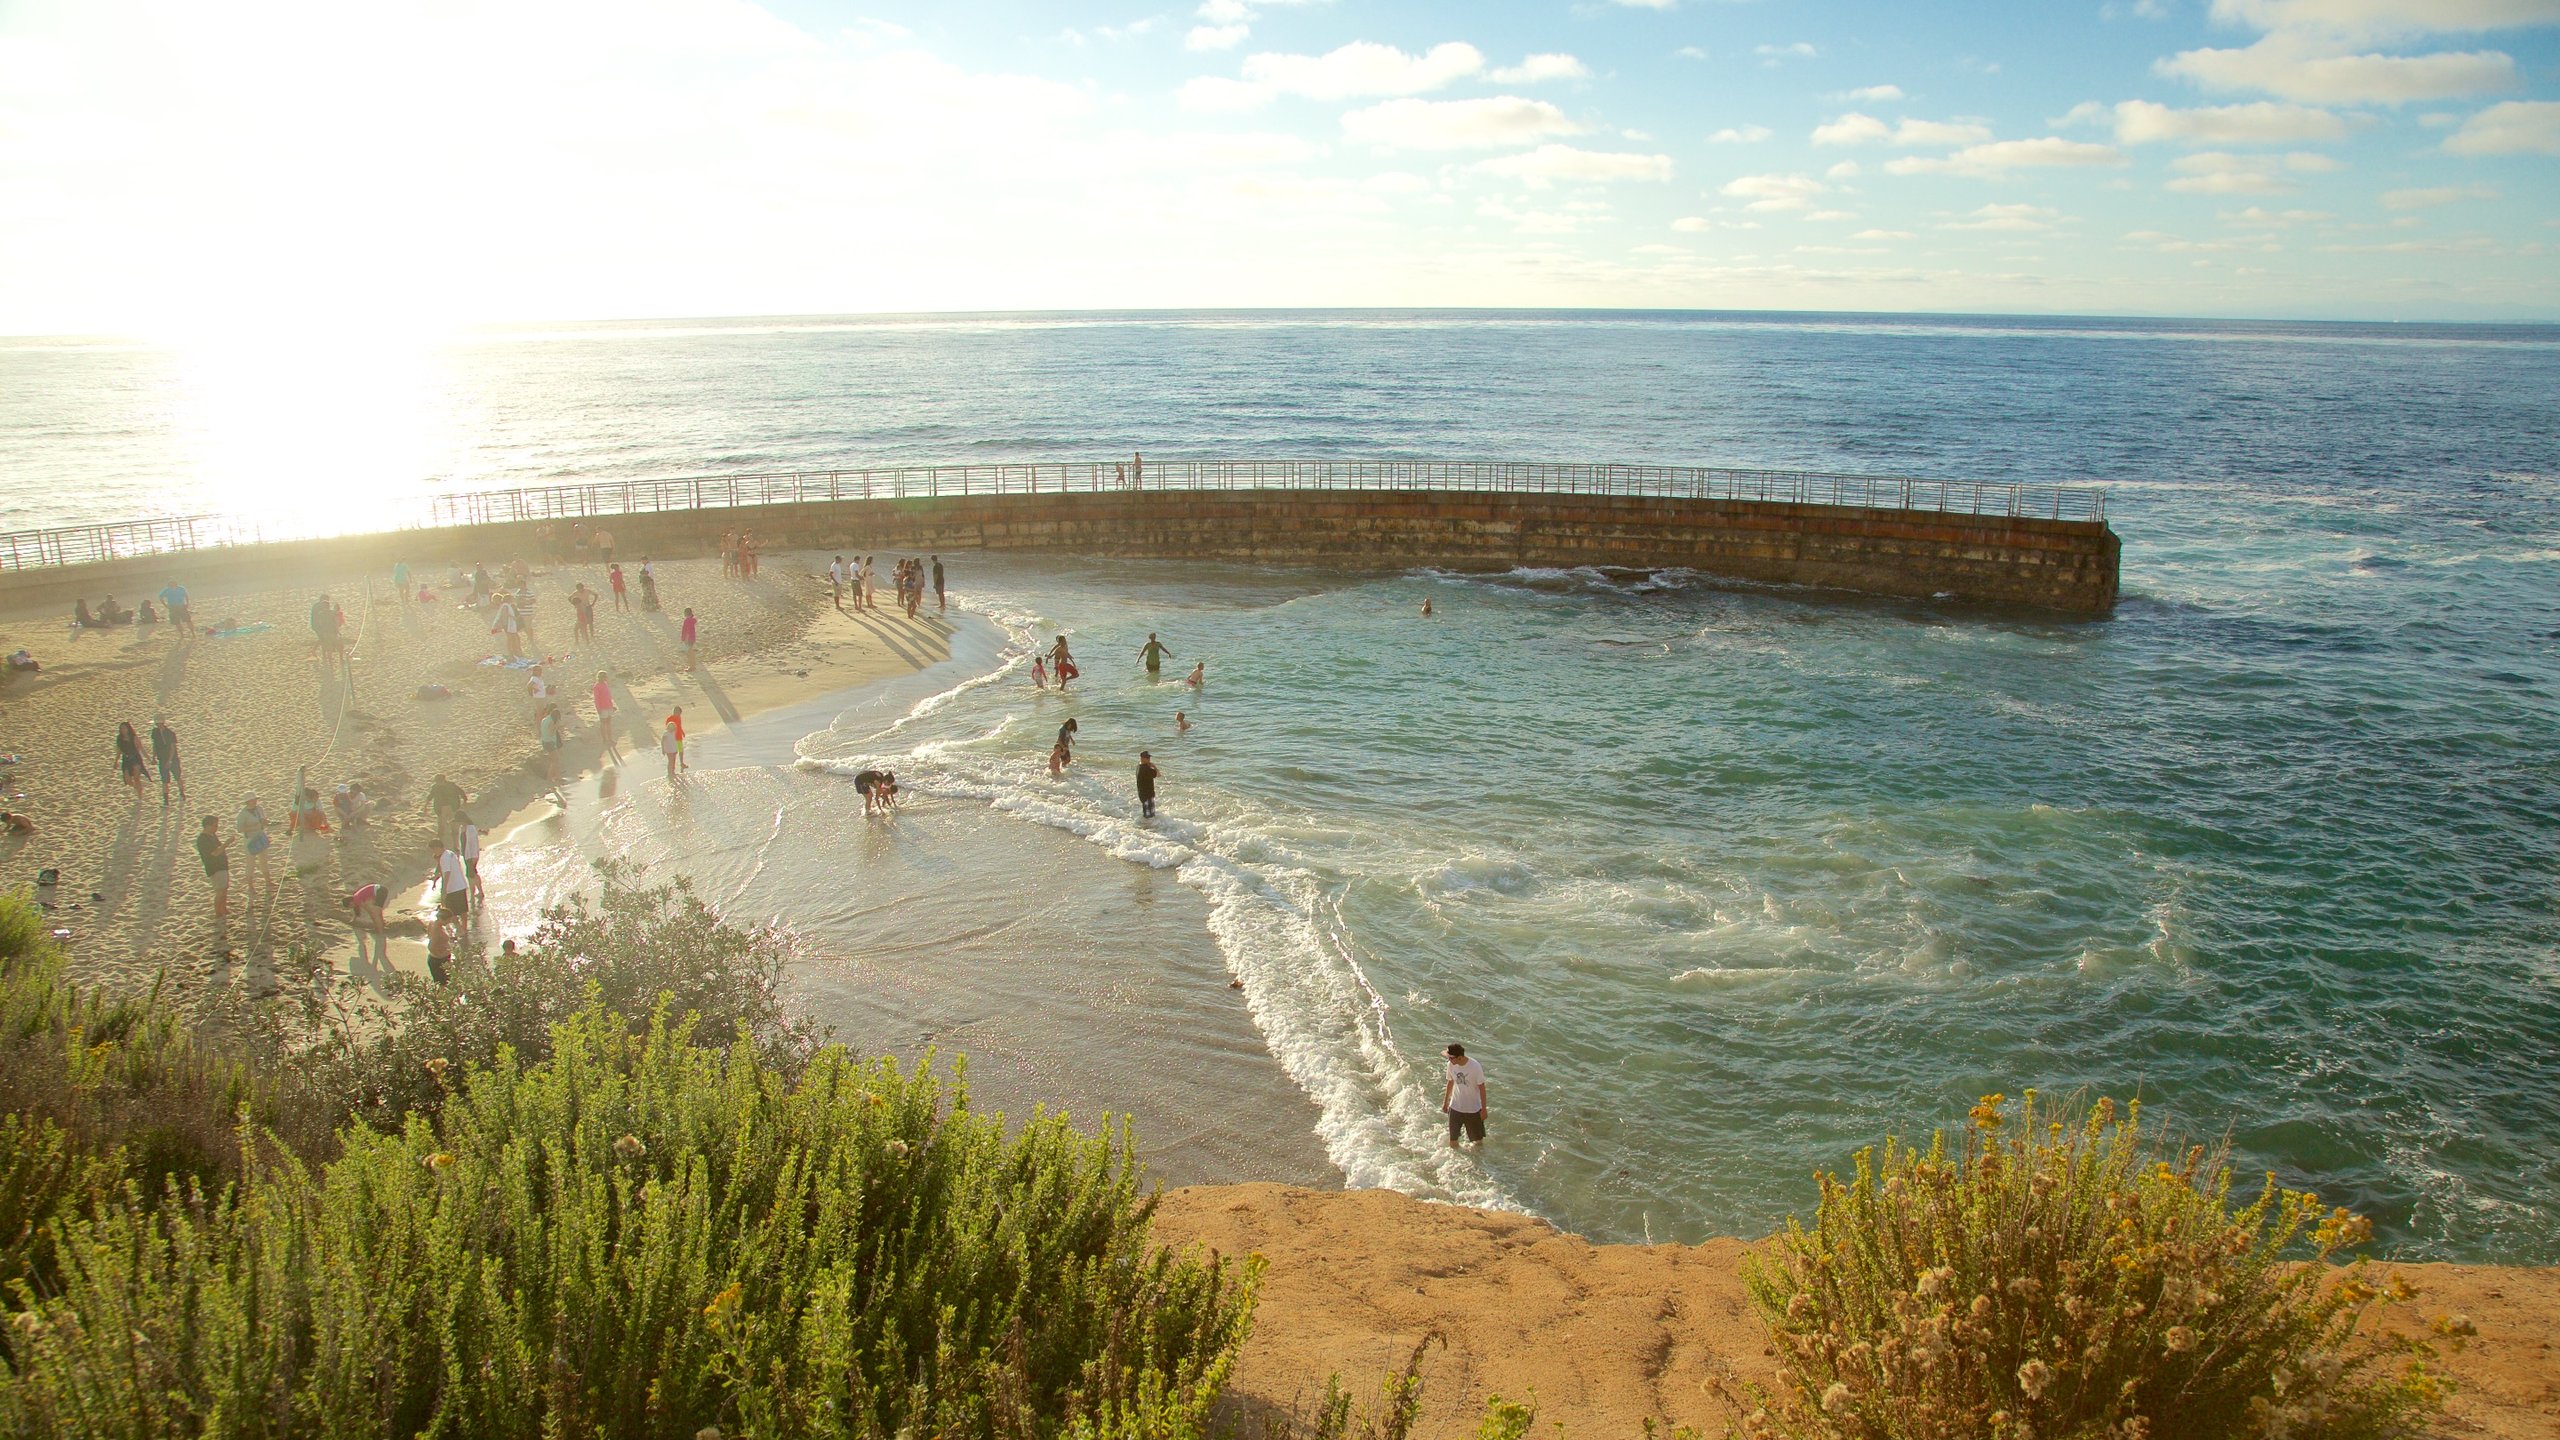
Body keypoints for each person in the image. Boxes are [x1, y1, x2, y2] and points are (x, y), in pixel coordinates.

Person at [1442, 1043, 1487, 1147]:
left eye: (1451, 1058)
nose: (1449, 1060)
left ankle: (1477, 1162)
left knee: (1478, 1142)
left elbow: (1482, 1088)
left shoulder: (1475, 1067)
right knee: (1453, 1141)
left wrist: (1484, 1109)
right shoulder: (1451, 1065)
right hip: (1455, 1107)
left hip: (1473, 1109)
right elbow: (1450, 1082)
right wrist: (1445, 1103)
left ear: (1460, 1057)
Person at [235, 796, 277, 908]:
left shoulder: (259, 809)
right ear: (247, 801)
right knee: (250, 863)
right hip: (250, 839)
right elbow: (240, 829)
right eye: (252, 800)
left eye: (255, 799)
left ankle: (268, 881)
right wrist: (254, 826)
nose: (255, 801)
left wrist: (266, 823)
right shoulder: (242, 814)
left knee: (263, 860)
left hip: (260, 836)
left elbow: (263, 820)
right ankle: (250, 886)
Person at [196, 815, 229, 932]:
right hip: (214, 867)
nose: (216, 828)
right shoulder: (202, 839)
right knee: (219, 890)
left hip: (221, 865)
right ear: (208, 825)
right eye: (215, 825)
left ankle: (223, 909)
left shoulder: (212, 835)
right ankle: (217, 913)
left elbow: (218, 848)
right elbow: (214, 853)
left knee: (224, 888)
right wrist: (227, 843)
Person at [346, 882, 387, 969]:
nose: (351, 907)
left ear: (351, 902)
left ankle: (380, 932)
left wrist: (374, 918)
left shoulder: (357, 899)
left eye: (350, 906)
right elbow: (356, 910)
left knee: (375, 914)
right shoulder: (355, 899)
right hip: (380, 890)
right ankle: (380, 927)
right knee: (377, 913)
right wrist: (353, 920)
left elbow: (369, 910)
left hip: (380, 891)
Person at [149, 715, 183, 806]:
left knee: (177, 777)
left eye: (159, 723)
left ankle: (182, 793)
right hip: (162, 759)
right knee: (164, 780)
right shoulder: (155, 732)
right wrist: (153, 757)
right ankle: (166, 800)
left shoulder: (170, 733)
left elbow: (173, 748)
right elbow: (155, 745)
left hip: (173, 759)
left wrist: (170, 760)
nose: (158, 725)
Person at [426, 774, 465, 847]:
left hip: (452, 807)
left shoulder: (451, 785)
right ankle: (440, 840)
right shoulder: (435, 787)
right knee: (441, 824)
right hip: (441, 808)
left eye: (439, 781)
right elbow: (430, 796)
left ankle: (455, 839)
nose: (438, 783)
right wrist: (425, 806)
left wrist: (465, 799)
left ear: (444, 780)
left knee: (453, 824)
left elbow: (461, 792)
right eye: (437, 782)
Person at [436, 838, 470, 922]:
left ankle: (459, 929)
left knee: (450, 912)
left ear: (437, 848)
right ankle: (464, 930)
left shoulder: (444, 858)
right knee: (463, 911)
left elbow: (447, 873)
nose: (434, 853)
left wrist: (444, 890)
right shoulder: (451, 853)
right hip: (461, 885)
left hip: (452, 889)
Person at [114, 721, 148, 800]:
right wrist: (116, 761)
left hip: (135, 759)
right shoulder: (119, 738)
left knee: (136, 778)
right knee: (127, 780)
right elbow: (119, 751)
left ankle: (140, 797)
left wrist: (149, 759)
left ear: (128, 729)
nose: (122, 730)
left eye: (124, 728)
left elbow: (141, 749)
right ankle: (138, 788)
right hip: (126, 760)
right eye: (121, 728)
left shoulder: (134, 737)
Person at [593, 671, 622, 763]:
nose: (607, 678)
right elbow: (596, 699)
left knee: (608, 723)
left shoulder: (605, 684)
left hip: (608, 706)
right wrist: (598, 709)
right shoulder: (596, 686)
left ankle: (610, 739)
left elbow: (608, 696)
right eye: (605, 676)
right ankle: (605, 739)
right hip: (602, 707)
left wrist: (612, 705)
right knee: (603, 723)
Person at [458, 814, 484, 909]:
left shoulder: (470, 829)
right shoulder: (463, 828)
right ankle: (479, 892)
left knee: (470, 875)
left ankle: (473, 895)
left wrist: (474, 857)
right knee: (473, 874)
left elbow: (474, 845)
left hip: (471, 855)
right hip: (466, 854)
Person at [423, 913, 455, 987]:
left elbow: (428, 935)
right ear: (441, 919)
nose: (449, 922)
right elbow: (431, 947)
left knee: (446, 982)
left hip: (441, 959)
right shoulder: (436, 930)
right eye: (448, 920)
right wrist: (439, 955)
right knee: (443, 984)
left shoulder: (433, 923)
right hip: (438, 960)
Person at [538, 705, 563, 792]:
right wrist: (557, 725)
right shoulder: (551, 721)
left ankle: (557, 777)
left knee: (554, 760)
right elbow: (551, 733)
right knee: (555, 760)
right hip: (550, 742)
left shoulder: (544, 719)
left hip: (545, 741)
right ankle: (550, 778)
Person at [493, 594, 523, 658]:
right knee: (512, 638)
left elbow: (506, 615)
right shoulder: (506, 606)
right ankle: (514, 652)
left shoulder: (505, 606)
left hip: (509, 624)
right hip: (509, 624)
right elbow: (505, 616)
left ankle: (514, 651)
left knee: (512, 638)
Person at [1135, 750, 1160, 820]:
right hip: (1147, 794)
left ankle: (1148, 828)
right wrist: (1154, 767)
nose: (1149, 759)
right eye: (1147, 758)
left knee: (1147, 813)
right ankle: (1147, 828)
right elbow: (1158, 774)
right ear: (1142, 758)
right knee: (1149, 815)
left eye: (1149, 757)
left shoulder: (1139, 766)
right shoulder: (1146, 769)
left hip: (1142, 793)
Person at [662, 706, 686, 779]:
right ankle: (671, 771)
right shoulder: (670, 719)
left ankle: (681, 763)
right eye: (678, 713)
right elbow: (668, 729)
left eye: (680, 714)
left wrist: (682, 732)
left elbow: (679, 726)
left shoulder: (679, 717)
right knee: (672, 756)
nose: (679, 715)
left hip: (679, 737)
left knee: (680, 751)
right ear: (675, 712)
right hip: (673, 739)